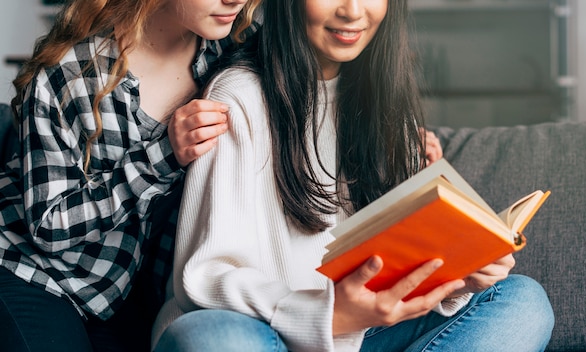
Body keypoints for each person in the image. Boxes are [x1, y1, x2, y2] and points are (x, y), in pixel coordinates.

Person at [151, 0, 555, 351]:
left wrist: (460, 275)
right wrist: (328, 316)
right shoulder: (237, 96)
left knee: (523, 302)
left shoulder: (389, 106)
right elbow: (205, 278)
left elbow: (392, 269)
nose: (353, 12)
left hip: (364, 334)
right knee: (213, 341)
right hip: (262, 330)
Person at [0, 0, 262, 351]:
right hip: (30, 271)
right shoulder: (70, 72)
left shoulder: (233, 51)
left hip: (118, 292)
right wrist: (163, 155)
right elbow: (49, 225)